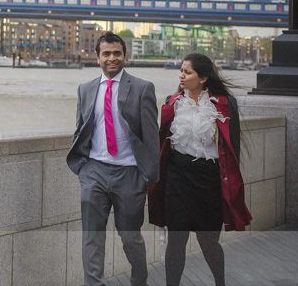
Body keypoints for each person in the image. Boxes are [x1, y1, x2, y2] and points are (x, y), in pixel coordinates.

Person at [148, 53, 252, 286]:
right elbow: (162, 142)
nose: (181, 75)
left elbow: (232, 149)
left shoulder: (224, 104)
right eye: (181, 71)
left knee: (208, 241)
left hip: (208, 180)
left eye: (187, 72)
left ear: (203, 77)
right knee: (176, 240)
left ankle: (220, 283)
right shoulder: (172, 102)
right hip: (177, 178)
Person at [67, 32, 160, 286]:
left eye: (117, 53)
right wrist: (83, 169)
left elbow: (152, 137)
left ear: (125, 56)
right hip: (94, 171)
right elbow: (81, 130)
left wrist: (147, 176)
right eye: (106, 53)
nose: (112, 58)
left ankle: (139, 277)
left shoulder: (143, 89)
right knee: (91, 236)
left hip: (129, 173)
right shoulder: (85, 90)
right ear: (97, 57)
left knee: (130, 237)